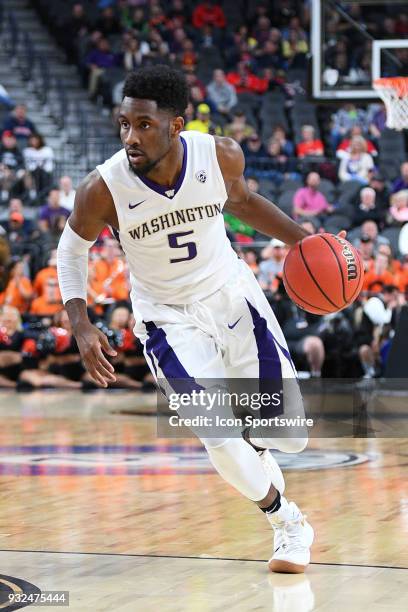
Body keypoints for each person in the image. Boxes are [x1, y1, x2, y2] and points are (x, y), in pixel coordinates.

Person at [57, 65, 341, 575]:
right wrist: (80, 323)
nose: (130, 137)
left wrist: (307, 242)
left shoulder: (220, 155)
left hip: (232, 298)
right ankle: (288, 523)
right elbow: (71, 251)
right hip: (166, 321)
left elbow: (245, 201)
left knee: (290, 435)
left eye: (143, 125)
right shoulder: (103, 187)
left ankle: (256, 441)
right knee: (217, 434)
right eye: (124, 124)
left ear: (176, 125)